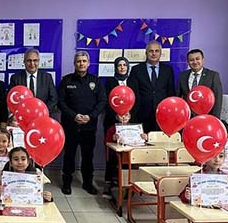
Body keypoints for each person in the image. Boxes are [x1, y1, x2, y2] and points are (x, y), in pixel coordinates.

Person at [57, 51, 107, 195]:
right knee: (69, 155)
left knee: (88, 156)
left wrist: (90, 116)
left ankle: (87, 183)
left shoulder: (95, 81)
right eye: (79, 61)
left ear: (88, 63)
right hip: (70, 126)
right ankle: (67, 183)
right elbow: (61, 102)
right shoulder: (66, 81)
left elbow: (102, 101)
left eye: (84, 61)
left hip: (89, 127)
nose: (81, 64)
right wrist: (74, 116)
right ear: (74, 63)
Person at [128, 41, 175, 133]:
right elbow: (133, 93)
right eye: (151, 51)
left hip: (163, 115)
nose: (154, 53)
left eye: (157, 51)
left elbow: (171, 93)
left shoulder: (168, 70)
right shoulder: (136, 70)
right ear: (146, 53)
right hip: (141, 115)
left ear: (160, 53)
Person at [103, 111, 147, 197]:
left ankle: (129, 187)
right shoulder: (112, 128)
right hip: (116, 154)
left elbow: (142, 141)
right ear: (116, 117)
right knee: (111, 163)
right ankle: (108, 185)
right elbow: (107, 142)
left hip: (130, 154)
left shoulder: (136, 128)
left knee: (131, 165)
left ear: (130, 116)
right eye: (121, 115)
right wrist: (113, 138)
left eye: (126, 115)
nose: (124, 117)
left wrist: (144, 137)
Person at [176, 49, 224, 117]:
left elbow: (217, 99)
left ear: (203, 60)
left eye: (197, 59)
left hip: (205, 116)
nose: (195, 62)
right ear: (188, 62)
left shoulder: (213, 76)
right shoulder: (182, 76)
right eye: (191, 60)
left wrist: (214, 118)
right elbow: (178, 98)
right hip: (187, 117)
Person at [8, 49, 58, 114]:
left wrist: (43, 111)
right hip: (22, 114)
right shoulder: (15, 78)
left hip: (42, 114)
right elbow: (12, 99)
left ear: (39, 62)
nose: (32, 63)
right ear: (24, 62)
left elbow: (53, 98)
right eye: (29, 60)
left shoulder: (47, 77)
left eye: (35, 60)